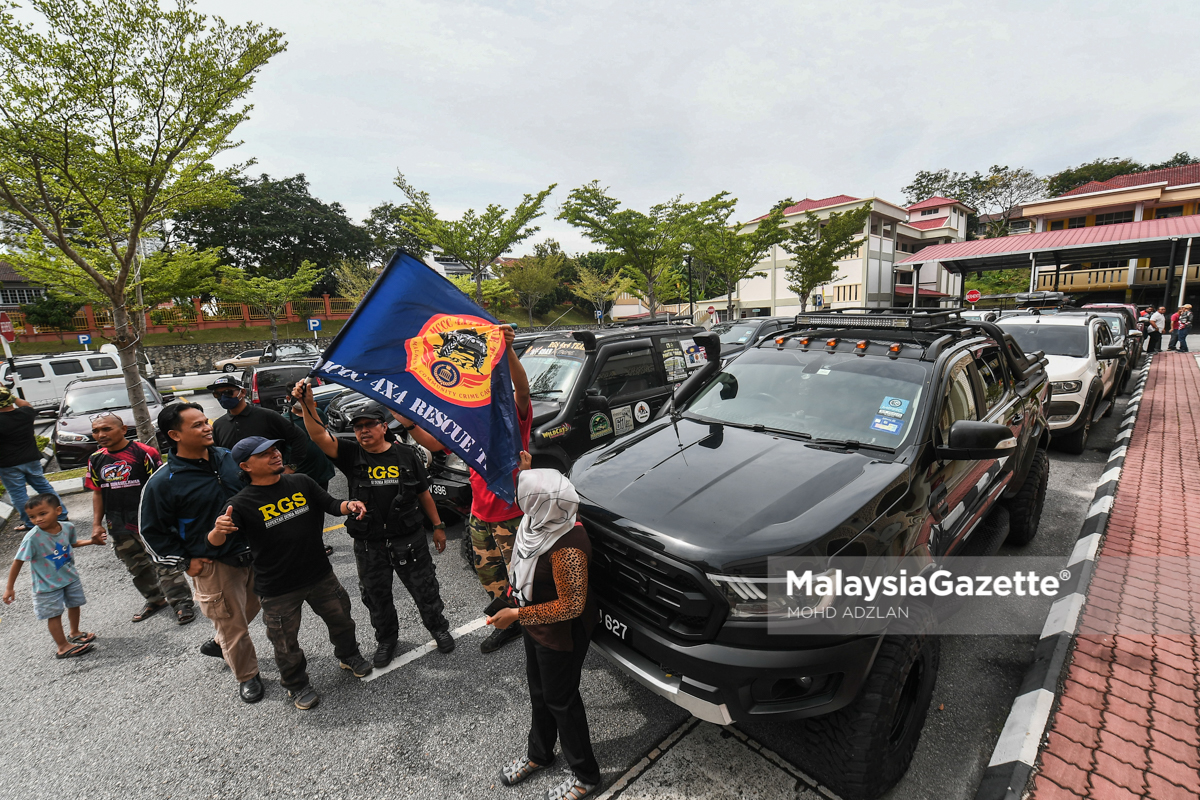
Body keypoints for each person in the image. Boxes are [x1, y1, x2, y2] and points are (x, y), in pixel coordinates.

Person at [292, 382, 454, 668]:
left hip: (409, 539)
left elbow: (423, 492)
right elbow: (318, 435)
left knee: (425, 589)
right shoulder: (351, 453)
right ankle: (387, 640)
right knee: (376, 596)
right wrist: (308, 405)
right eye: (358, 427)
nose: (363, 431)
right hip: (370, 544)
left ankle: (438, 628)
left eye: (369, 425)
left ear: (383, 427)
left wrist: (438, 526)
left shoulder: (406, 454)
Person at [212, 436, 373, 709]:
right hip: (277, 588)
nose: (275, 454)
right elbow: (216, 543)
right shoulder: (239, 503)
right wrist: (217, 530)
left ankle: (349, 656)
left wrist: (350, 505)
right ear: (245, 465)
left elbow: (332, 504)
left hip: (320, 575)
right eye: (264, 453)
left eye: (275, 449)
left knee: (342, 621)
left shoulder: (300, 482)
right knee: (285, 642)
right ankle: (296, 684)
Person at [400, 324, 533, 654]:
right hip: (479, 516)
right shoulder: (468, 430)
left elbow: (522, 392)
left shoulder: (513, 423)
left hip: (512, 514)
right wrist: (408, 423)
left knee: (524, 576)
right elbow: (433, 441)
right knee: (489, 574)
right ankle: (510, 622)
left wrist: (509, 350)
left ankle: (536, 624)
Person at [489, 464, 601, 800]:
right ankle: (540, 753)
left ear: (544, 505)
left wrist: (515, 614)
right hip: (534, 624)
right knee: (540, 692)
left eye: (527, 499)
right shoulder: (540, 521)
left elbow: (570, 607)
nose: (522, 506)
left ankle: (586, 775)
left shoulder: (568, 545)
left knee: (562, 700)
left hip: (560, 633)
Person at [139, 402, 264, 704]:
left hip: (253, 554)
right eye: (196, 425)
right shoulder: (162, 482)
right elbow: (150, 531)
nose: (207, 427)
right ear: (175, 434)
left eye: (205, 421)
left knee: (251, 609)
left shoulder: (229, 459)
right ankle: (247, 676)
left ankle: (221, 643)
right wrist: (185, 561)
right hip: (213, 565)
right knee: (233, 625)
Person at [86, 413, 195, 624]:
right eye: (96, 431)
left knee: (164, 562)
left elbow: (162, 485)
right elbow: (97, 492)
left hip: (148, 522)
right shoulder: (95, 459)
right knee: (136, 566)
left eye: (106, 429)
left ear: (124, 429)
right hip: (118, 524)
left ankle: (182, 603)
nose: (100, 434)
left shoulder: (144, 453)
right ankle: (155, 599)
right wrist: (96, 524)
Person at [3, 494, 105, 659]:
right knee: (54, 614)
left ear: (58, 510)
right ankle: (63, 646)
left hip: (69, 577)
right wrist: (9, 588)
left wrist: (92, 542)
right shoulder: (32, 538)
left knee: (74, 604)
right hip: (46, 585)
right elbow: (18, 561)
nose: (38, 519)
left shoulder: (67, 527)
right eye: (32, 516)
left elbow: (72, 544)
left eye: (42, 513)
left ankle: (75, 632)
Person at [0, 386, 66, 532]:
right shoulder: (25, 414)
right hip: (31, 459)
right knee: (44, 487)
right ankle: (61, 515)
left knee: (18, 494)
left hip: (8, 464)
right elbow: (26, 404)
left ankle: (30, 523)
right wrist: (8, 394)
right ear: (9, 400)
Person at [208, 374, 308, 470]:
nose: (223, 397)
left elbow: (298, 437)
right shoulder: (218, 425)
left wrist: (292, 466)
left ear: (242, 392)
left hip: (270, 480)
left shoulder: (267, 416)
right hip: (237, 484)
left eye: (228, 392)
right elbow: (217, 455)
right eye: (217, 394)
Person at [284, 399, 338, 555]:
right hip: (300, 475)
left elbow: (324, 434)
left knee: (319, 510)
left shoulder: (318, 414)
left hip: (320, 473)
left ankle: (317, 542)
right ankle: (304, 545)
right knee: (302, 512)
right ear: (289, 399)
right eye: (296, 398)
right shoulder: (285, 421)